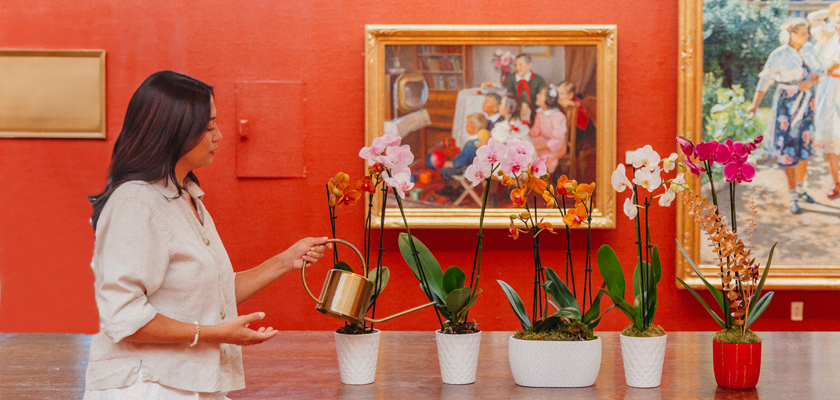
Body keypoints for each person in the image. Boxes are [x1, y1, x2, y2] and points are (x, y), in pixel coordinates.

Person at [84, 71, 332, 399]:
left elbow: (209, 292)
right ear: (175, 131)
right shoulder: (134, 202)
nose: (220, 136)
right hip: (148, 387)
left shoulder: (186, 195)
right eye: (208, 126)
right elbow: (123, 317)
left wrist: (286, 261)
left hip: (191, 382)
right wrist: (215, 333)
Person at [748, 18, 821, 214]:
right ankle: (792, 195)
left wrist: (809, 84)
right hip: (787, 105)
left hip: (806, 103)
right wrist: (755, 105)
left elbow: (819, 73)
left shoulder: (809, 51)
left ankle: (800, 188)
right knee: (789, 148)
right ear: (790, 34)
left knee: (804, 145)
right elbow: (766, 80)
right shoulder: (779, 54)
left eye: (807, 32)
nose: (806, 36)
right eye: (802, 33)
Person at [809, 4, 840, 198]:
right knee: (830, 138)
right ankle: (836, 181)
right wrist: (831, 12)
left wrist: (814, 76)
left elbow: (831, 66)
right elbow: (813, 17)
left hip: (835, 84)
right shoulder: (830, 34)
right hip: (829, 89)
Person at [437, 113, 490, 199]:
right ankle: (458, 188)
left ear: (473, 128)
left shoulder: (470, 144)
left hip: (467, 168)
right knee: (452, 160)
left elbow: (463, 160)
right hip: (475, 165)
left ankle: (452, 190)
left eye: (468, 124)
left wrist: (453, 164)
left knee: (445, 169)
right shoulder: (479, 141)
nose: (466, 126)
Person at [530, 85, 568, 175]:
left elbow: (557, 140)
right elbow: (535, 131)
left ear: (548, 100)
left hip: (556, 146)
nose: (537, 96)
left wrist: (539, 147)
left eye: (541, 95)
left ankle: (539, 179)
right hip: (543, 140)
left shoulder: (558, 116)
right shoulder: (540, 114)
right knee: (524, 148)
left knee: (536, 155)